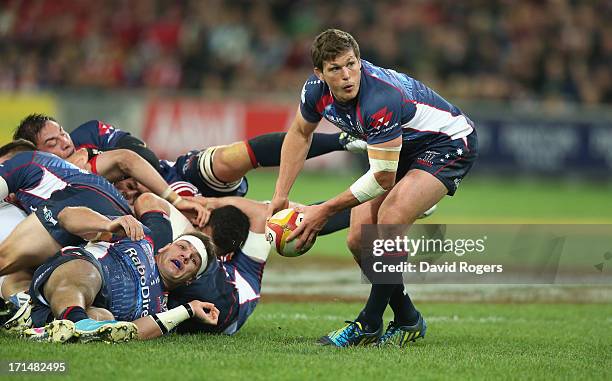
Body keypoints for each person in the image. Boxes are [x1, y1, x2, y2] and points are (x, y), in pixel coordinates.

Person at [267, 29, 478, 347]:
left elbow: (382, 179)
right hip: (398, 148)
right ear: (319, 74)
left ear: (360, 60)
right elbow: (299, 133)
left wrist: (322, 211)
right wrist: (280, 195)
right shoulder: (314, 92)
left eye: (351, 64)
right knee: (357, 239)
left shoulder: (379, 98)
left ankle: (368, 324)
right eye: (335, 69)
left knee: (390, 219)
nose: (347, 75)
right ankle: (407, 318)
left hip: (446, 142)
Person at [17, 206, 219, 343]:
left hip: (70, 308)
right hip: (73, 270)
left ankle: (43, 323)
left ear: (191, 278)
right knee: (88, 271)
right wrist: (106, 225)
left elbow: (132, 332)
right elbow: (66, 215)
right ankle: (78, 323)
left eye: (193, 260)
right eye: (182, 247)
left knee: (104, 317)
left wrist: (188, 309)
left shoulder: (161, 309)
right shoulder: (139, 237)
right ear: (165, 247)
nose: (185, 256)